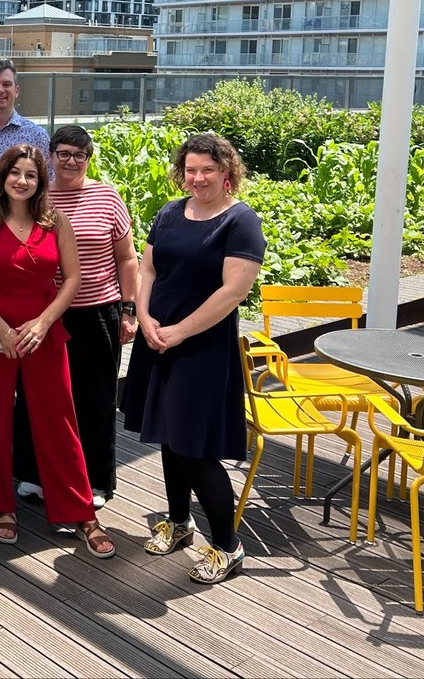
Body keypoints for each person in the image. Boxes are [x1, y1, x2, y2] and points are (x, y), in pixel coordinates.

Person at [122, 133, 265, 586]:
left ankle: (228, 545)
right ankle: (180, 522)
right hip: (157, 335)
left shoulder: (241, 221)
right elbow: (148, 269)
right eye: (191, 170)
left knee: (192, 445)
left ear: (227, 173)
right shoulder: (169, 212)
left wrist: (178, 332)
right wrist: (144, 317)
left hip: (200, 345)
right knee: (168, 434)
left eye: (207, 170)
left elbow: (233, 292)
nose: (198, 178)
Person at [0, 145, 115, 560]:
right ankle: (1, 505)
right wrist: (2, 329)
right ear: (3, 175)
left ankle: (81, 511)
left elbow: (72, 279)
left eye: (31, 175)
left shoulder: (54, 221)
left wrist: (44, 322)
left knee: (59, 418)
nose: (22, 181)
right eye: (15, 173)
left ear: (40, 181)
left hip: (42, 331)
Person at [12, 124, 139, 509]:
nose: (71, 161)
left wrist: (129, 310)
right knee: (37, 396)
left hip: (98, 311)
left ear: (89, 158)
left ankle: (96, 479)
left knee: (96, 398)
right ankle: (34, 473)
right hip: (45, 314)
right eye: (63, 153)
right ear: (50, 155)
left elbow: (127, 258)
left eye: (79, 155)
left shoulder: (107, 197)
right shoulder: (37, 197)